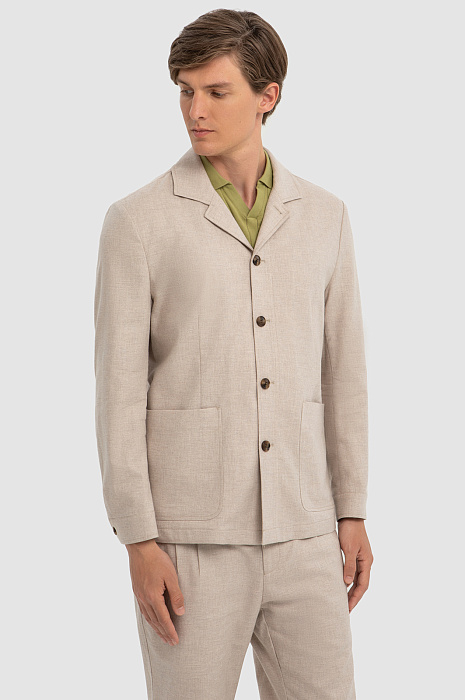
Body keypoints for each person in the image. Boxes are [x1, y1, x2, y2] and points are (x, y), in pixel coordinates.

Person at [94, 8, 374, 700]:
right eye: (185, 91)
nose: (195, 110)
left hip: (305, 533)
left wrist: (351, 510)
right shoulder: (137, 222)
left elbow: (343, 373)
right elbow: (118, 392)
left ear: (267, 96)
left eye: (216, 92)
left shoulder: (326, 216)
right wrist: (139, 540)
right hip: (189, 541)